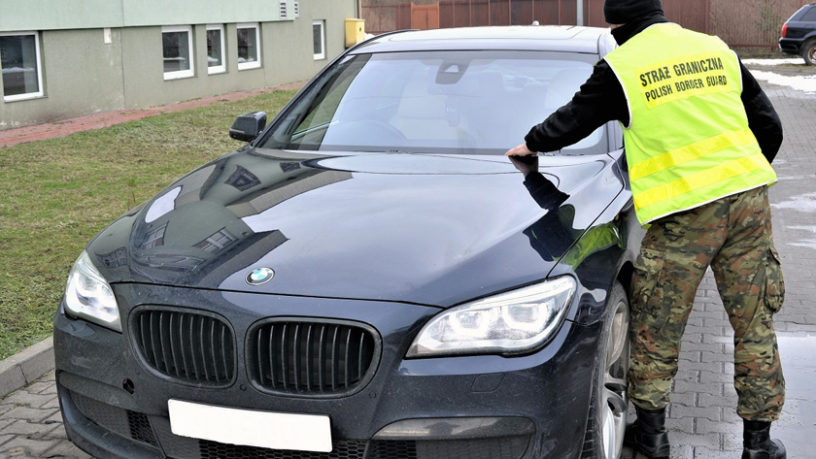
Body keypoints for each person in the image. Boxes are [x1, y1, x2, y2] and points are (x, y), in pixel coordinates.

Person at [505, 1, 787, 458]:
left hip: (683, 214)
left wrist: (531, 144)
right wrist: (737, 180)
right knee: (754, 324)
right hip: (748, 203)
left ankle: (653, 439)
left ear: (616, 22)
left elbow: (573, 120)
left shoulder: (622, 67)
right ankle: (760, 445)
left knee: (658, 326)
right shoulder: (714, 48)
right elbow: (769, 126)